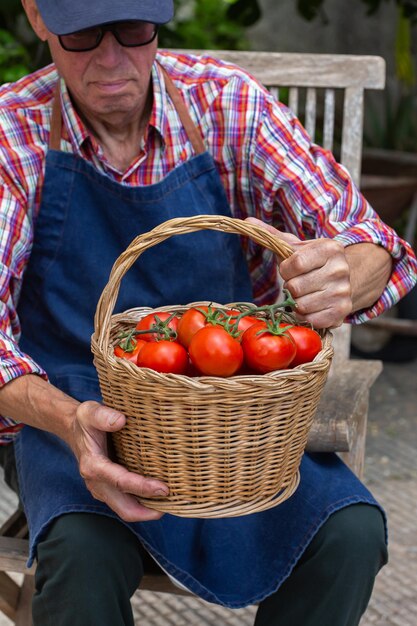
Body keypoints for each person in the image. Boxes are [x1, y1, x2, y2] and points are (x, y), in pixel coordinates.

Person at [0, 1, 415, 624]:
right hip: (76, 409)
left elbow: (370, 240)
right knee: (81, 551)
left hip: (230, 409)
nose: (112, 58)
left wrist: (345, 275)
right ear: (37, 17)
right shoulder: (13, 131)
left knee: (350, 534)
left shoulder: (228, 104)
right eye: (82, 33)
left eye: (135, 30)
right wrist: (67, 421)